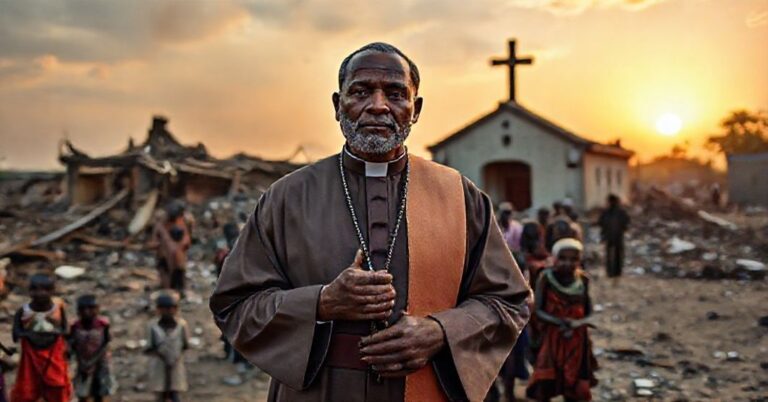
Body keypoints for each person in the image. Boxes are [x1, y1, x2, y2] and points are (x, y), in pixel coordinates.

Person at [210, 42, 531, 402]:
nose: (378, 105)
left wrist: (441, 331)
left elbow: (508, 301)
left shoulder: (459, 196)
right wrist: (322, 302)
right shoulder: (286, 197)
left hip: (425, 387)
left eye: (395, 94)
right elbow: (235, 305)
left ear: (415, 109)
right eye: (361, 92)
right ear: (338, 105)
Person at [526, 239, 597, 402]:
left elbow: (589, 312)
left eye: (573, 259)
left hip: (577, 339)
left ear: (579, 260)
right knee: (545, 383)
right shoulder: (546, 277)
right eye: (563, 258)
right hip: (552, 337)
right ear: (554, 258)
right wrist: (560, 322)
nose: (568, 263)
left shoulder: (583, 280)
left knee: (574, 385)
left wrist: (576, 324)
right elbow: (538, 310)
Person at [11, 274, 72, 402]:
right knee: (28, 386)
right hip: (31, 354)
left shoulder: (58, 309)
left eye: (45, 289)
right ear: (29, 291)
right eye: (35, 289)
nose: (40, 294)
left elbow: (66, 330)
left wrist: (56, 333)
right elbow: (16, 332)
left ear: (52, 291)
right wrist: (28, 334)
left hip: (53, 353)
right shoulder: (24, 311)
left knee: (56, 385)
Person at [69, 295, 117, 402]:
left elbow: (105, 343)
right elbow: (72, 345)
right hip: (82, 363)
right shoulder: (75, 327)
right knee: (82, 392)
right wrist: (81, 361)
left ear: (97, 309)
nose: (87, 312)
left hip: (101, 362)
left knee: (99, 391)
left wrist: (93, 360)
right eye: (83, 309)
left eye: (91, 308)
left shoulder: (103, 325)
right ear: (78, 311)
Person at [145, 294, 189, 402]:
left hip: (176, 363)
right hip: (159, 364)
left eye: (170, 308)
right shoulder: (152, 326)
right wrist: (162, 356)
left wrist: (174, 357)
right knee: (160, 393)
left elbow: (185, 345)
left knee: (175, 393)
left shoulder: (181, 325)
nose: (168, 312)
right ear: (158, 310)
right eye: (164, 309)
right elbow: (149, 347)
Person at [598, 194, 630, 284]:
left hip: (611, 236)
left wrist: (603, 234)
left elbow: (601, 223)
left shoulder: (608, 212)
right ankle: (616, 272)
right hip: (617, 236)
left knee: (611, 255)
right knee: (617, 255)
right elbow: (626, 223)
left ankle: (611, 272)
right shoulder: (620, 212)